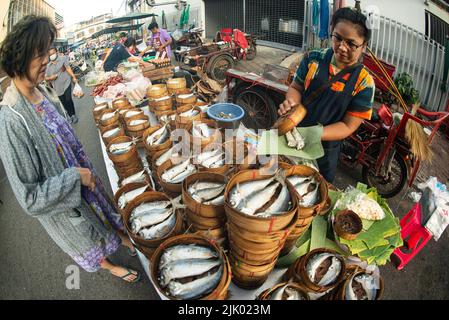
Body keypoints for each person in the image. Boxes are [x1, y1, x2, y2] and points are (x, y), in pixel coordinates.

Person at [0, 15, 141, 283]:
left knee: (104, 217)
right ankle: (112, 267)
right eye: (40, 53)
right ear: (19, 56)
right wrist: (74, 177)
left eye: (48, 51)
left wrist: (83, 174)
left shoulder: (42, 90)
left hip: (86, 182)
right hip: (66, 204)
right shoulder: (10, 120)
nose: (48, 59)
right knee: (87, 238)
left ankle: (123, 239)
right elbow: (29, 198)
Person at [278, 7, 375, 183]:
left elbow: (347, 126)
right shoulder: (313, 58)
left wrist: (314, 134)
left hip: (325, 150)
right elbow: (296, 87)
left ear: (363, 46)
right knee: (281, 179)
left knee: (312, 190)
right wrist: (291, 105)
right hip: (292, 134)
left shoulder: (364, 83)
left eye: (351, 44)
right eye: (338, 37)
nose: (342, 47)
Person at [45, 47, 79, 124]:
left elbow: (68, 68)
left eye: (53, 53)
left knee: (68, 99)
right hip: (57, 87)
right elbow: (46, 78)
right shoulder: (48, 66)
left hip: (66, 82)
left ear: (56, 52)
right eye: (50, 54)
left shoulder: (63, 58)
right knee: (63, 102)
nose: (52, 55)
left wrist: (73, 77)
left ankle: (73, 115)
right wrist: (51, 78)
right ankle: (69, 115)